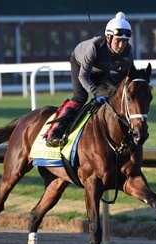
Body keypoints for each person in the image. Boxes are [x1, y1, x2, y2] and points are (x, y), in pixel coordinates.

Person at [44, 12, 134, 147]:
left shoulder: (128, 51)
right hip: (81, 65)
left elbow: (128, 76)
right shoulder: (94, 48)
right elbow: (83, 76)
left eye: (124, 41)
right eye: (118, 41)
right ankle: (56, 133)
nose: (121, 45)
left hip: (102, 70)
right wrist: (96, 93)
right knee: (80, 97)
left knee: (111, 97)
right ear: (108, 37)